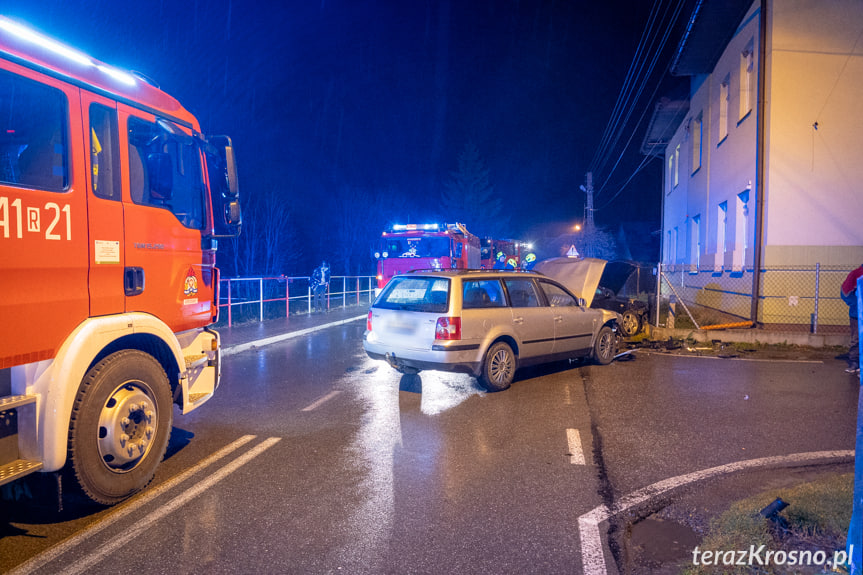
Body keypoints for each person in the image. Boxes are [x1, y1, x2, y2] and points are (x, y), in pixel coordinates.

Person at [841, 264, 863, 373]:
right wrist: (857, 305)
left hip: (856, 312)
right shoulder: (856, 274)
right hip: (857, 314)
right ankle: (854, 363)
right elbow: (845, 292)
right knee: (856, 338)